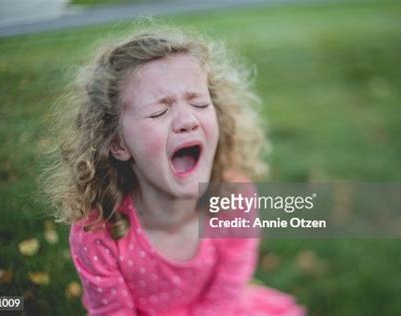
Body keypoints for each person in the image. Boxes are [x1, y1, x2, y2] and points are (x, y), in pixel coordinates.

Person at [43, 22, 305, 315]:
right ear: (118, 143)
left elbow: (225, 296)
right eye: (160, 111)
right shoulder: (98, 232)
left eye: (200, 104)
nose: (187, 120)